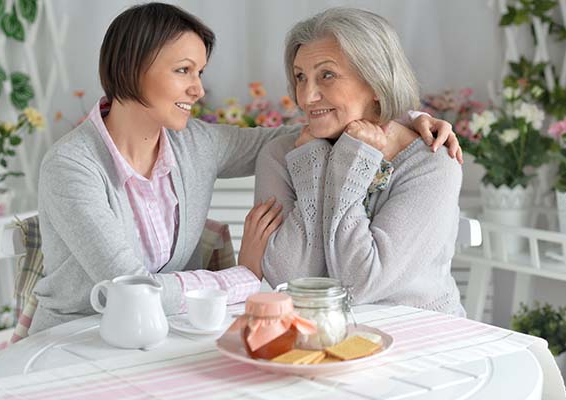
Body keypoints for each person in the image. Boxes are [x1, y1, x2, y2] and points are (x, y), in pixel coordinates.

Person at [31, 3, 462, 334]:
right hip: (80, 339)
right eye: (183, 71)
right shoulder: (73, 167)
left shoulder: (193, 144)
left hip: (165, 334)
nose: (198, 88)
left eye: (199, 71)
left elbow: (309, 127)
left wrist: (402, 119)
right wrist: (245, 274)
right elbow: (131, 292)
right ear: (130, 68)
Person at [256, 7, 465, 316]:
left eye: (326, 75)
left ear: (377, 83)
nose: (307, 96)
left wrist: (351, 166)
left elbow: (359, 284)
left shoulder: (431, 163)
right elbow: (288, 280)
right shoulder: (282, 155)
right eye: (301, 77)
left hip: (423, 337)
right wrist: (314, 166)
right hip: (321, 337)